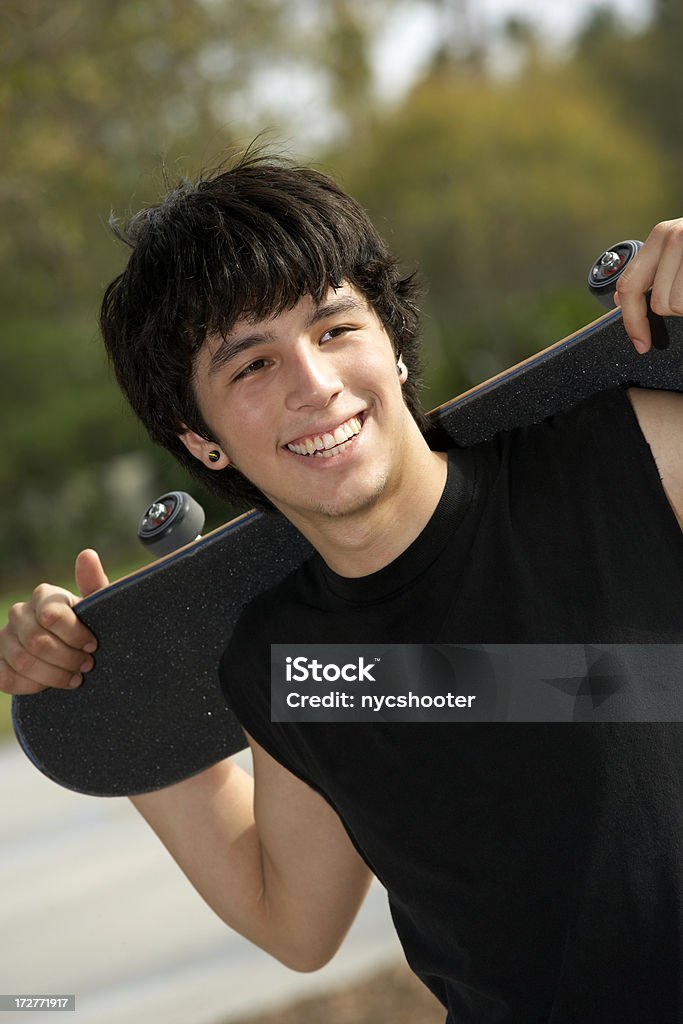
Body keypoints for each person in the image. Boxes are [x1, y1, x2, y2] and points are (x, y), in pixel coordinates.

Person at [2, 152, 683, 1023]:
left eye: (333, 331)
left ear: (394, 346)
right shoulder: (294, 660)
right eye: (251, 366)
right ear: (201, 440)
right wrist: (115, 685)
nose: (314, 387)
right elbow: (296, 923)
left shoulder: (627, 456)